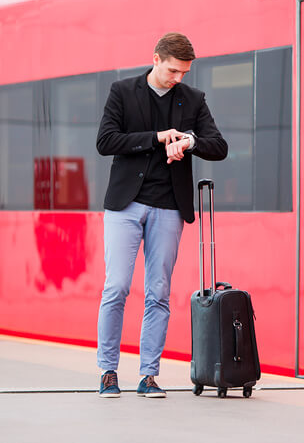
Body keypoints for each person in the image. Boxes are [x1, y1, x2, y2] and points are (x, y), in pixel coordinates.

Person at [95, 32, 227, 398]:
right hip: (125, 204)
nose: (178, 79)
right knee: (117, 286)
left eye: (184, 72)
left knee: (158, 292)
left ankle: (148, 375)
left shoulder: (193, 100)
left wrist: (190, 141)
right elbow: (105, 141)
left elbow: (219, 146)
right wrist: (156, 137)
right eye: (173, 70)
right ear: (156, 59)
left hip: (169, 205)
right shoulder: (122, 91)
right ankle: (108, 371)